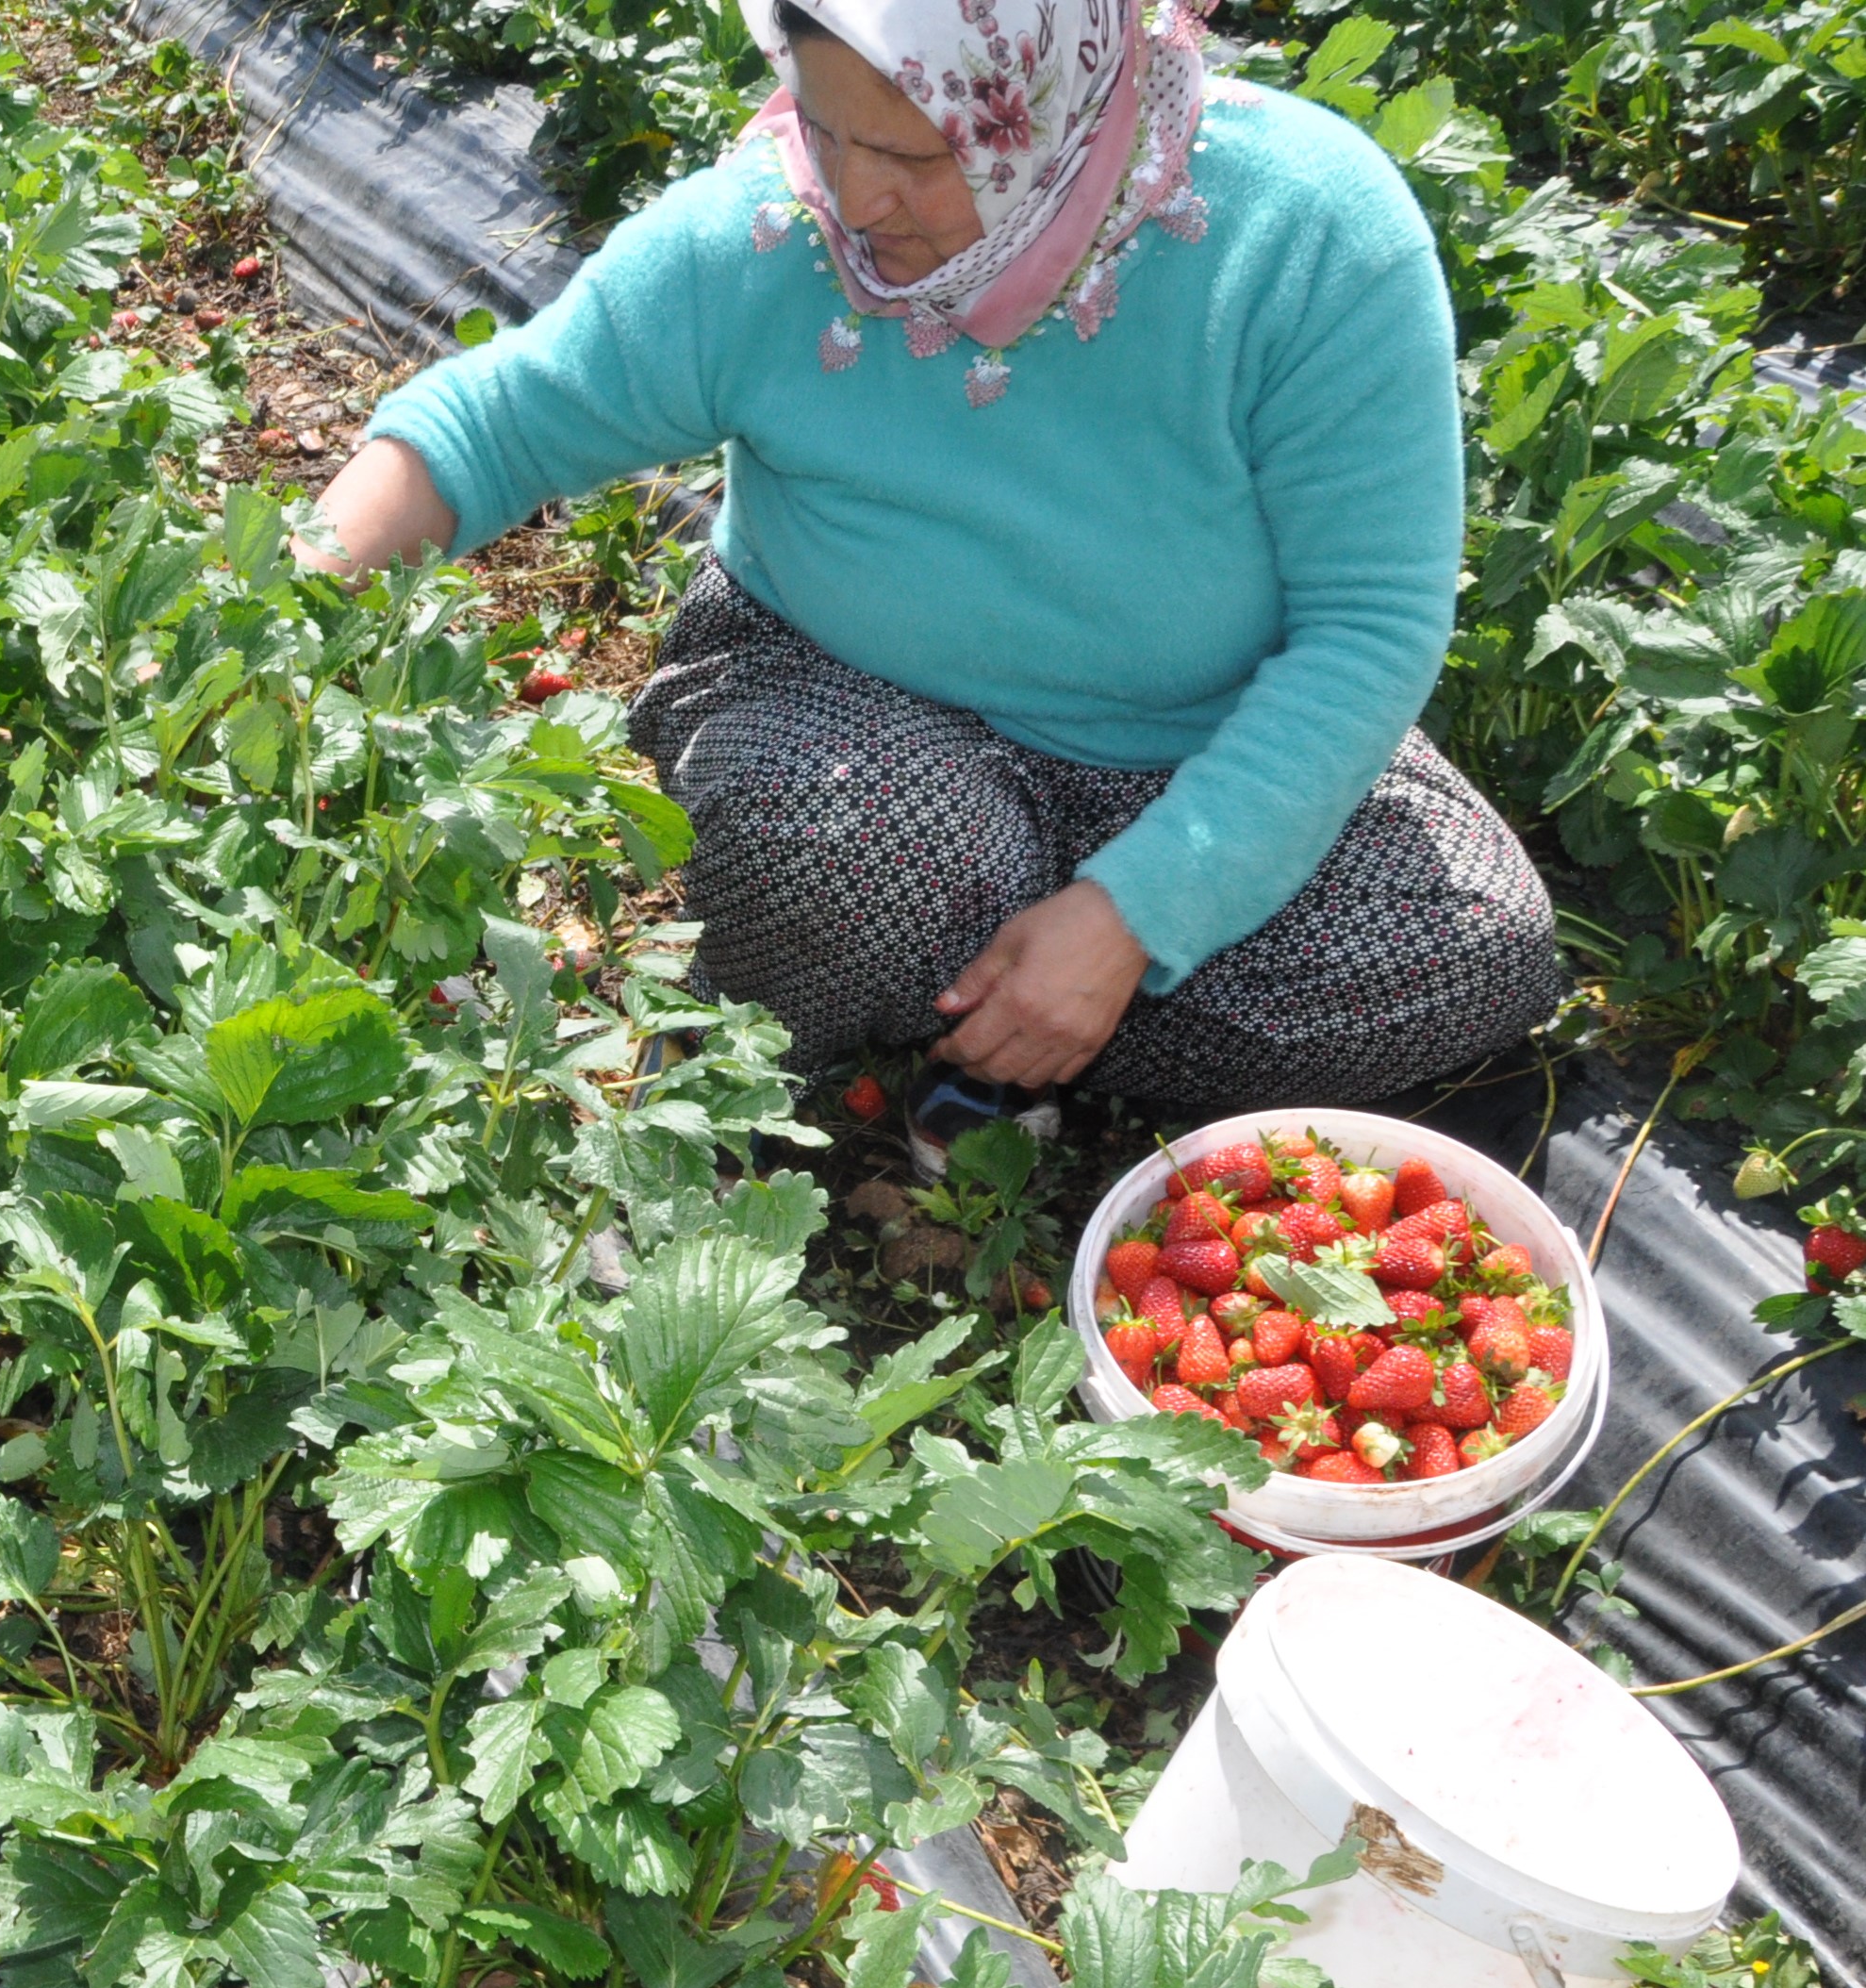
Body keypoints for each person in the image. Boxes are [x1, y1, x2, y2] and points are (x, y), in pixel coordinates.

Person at [309, 0, 1561, 1159]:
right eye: (826, 123)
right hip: (843, 699)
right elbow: (491, 427)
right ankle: (840, 1025)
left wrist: (1139, 911)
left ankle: (1003, 1021)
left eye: (922, 154)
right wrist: (281, 609)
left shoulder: (1307, 237)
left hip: (1185, 751)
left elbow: (1370, 626)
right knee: (854, 842)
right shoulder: (769, 235)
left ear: (1054, 92)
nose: (857, 198)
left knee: (1468, 955)